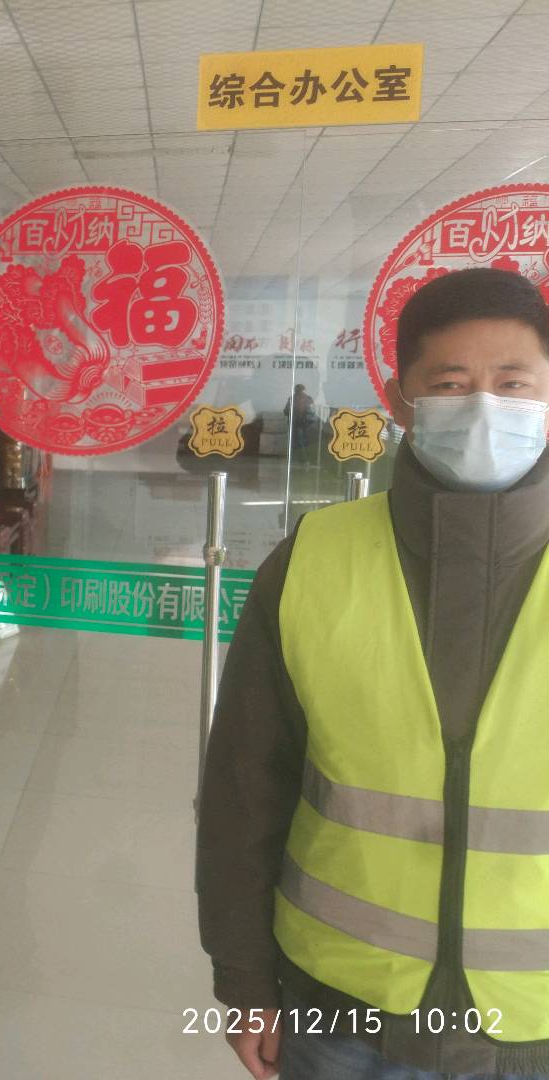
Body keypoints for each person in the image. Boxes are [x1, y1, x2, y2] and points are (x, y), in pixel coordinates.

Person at [198, 266, 549, 1080]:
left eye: (513, 383)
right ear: (400, 400)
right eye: (452, 384)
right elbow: (244, 791)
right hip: (342, 1011)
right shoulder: (315, 560)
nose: (485, 409)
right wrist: (243, 980)